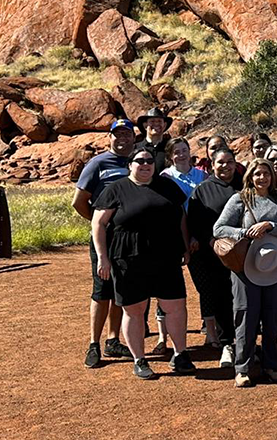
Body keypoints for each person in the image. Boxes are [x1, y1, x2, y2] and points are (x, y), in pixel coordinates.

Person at [91, 147, 194, 379]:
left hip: (166, 256)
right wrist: (102, 258)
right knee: (134, 309)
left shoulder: (167, 186)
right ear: (130, 165)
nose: (146, 164)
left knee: (175, 305)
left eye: (150, 161)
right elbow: (98, 224)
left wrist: (185, 246)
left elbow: (181, 218)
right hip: (128, 258)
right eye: (140, 161)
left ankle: (180, 354)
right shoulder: (116, 189)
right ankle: (140, 359)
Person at [213, 158, 277, 387]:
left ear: (273, 176)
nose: (263, 178)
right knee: (246, 317)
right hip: (245, 267)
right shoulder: (240, 199)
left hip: (275, 265)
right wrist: (246, 232)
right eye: (258, 174)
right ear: (250, 176)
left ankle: (271, 365)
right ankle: (243, 367)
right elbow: (219, 228)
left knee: (272, 316)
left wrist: (270, 226)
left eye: (267, 173)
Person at [75, 119, 135, 368]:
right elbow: (79, 201)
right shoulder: (98, 163)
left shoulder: (137, 163)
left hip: (130, 239)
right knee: (102, 290)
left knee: (121, 290)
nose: (122, 139)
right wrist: (99, 223)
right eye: (117, 134)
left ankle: (113, 340)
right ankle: (94, 344)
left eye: (127, 135)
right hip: (106, 238)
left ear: (134, 138)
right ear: (109, 138)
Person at [187, 147, 240, 367]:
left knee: (244, 300)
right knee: (222, 298)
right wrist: (212, 241)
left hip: (245, 254)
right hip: (216, 255)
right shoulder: (203, 190)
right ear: (212, 164)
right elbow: (195, 221)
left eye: (229, 162)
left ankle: (246, 345)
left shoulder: (245, 185)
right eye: (220, 162)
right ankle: (227, 343)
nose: (225, 166)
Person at [153, 136, 207, 353]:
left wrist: (197, 236)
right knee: (166, 289)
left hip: (197, 237)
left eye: (184, 150)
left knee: (204, 284)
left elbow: (205, 208)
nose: (181, 154)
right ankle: (161, 337)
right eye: (176, 151)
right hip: (172, 238)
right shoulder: (165, 177)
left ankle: (209, 330)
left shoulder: (202, 175)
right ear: (170, 156)